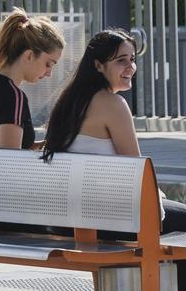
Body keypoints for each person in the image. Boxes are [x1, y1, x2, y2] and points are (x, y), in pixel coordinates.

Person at [42, 29, 186, 286]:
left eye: (132, 59)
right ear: (98, 65)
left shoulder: (70, 101)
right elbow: (138, 172)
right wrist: (160, 200)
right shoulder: (112, 104)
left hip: (70, 217)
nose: (130, 66)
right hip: (109, 218)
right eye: (121, 60)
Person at [0, 8, 65, 150]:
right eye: (48, 64)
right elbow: (8, 161)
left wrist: (39, 145)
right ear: (29, 55)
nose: (49, 73)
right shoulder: (14, 97)